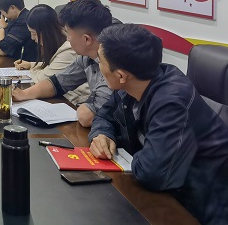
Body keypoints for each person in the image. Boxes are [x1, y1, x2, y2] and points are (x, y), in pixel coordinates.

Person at [89, 24, 228, 225]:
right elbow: (104, 115)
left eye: (100, 61)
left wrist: (129, 150)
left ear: (120, 75)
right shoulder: (134, 83)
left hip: (201, 205)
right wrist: (102, 134)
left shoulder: (172, 102)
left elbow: (152, 173)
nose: (99, 66)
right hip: (169, 191)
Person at [12, 0, 113, 127]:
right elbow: (57, 83)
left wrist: (84, 106)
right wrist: (23, 94)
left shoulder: (113, 65)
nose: (67, 39)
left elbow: (87, 117)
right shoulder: (86, 58)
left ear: (86, 39)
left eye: (69, 34)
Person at [14, 4, 89, 105]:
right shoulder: (62, 42)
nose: (32, 38)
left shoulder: (69, 49)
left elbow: (44, 79)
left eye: (34, 33)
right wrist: (31, 65)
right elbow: (55, 71)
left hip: (75, 103)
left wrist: (33, 69)